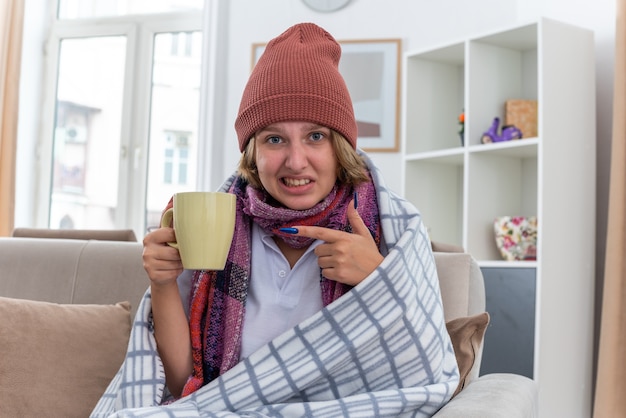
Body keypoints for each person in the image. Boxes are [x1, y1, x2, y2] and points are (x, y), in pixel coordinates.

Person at [92, 22, 459, 417]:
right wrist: (162, 284)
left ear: (340, 148)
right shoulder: (218, 224)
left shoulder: (393, 229)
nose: (295, 160)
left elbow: (424, 374)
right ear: (252, 152)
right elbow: (183, 384)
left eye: (315, 136)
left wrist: (379, 281)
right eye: (274, 139)